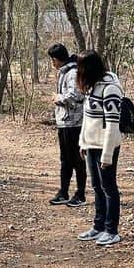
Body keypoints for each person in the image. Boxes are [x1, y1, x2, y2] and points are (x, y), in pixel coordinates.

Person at [75, 50, 123, 246]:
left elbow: (112, 125)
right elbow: (87, 119)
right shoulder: (92, 87)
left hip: (106, 147)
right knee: (96, 187)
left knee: (109, 188)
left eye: (81, 67)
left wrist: (107, 154)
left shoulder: (110, 89)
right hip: (91, 145)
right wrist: (83, 142)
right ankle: (98, 226)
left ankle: (112, 230)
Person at [47, 43, 86, 206]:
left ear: (57, 59)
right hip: (65, 123)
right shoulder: (65, 72)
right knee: (65, 160)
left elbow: (76, 95)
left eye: (52, 60)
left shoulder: (72, 73)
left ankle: (80, 194)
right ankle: (63, 192)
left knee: (77, 160)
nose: (52, 64)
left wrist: (58, 98)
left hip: (74, 123)